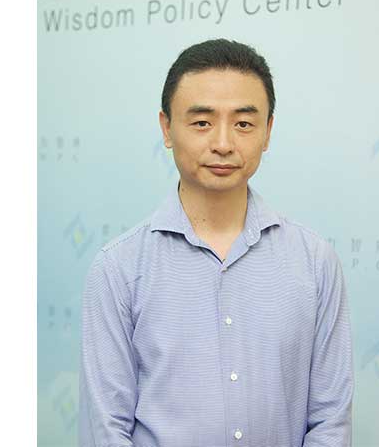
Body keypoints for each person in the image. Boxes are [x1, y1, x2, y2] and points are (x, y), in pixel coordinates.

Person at [78, 38, 354, 447]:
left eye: (243, 124)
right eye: (202, 123)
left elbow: (331, 421)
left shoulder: (315, 261)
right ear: (167, 128)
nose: (223, 144)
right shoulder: (119, 268)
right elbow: (106, 429)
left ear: (267, 132)